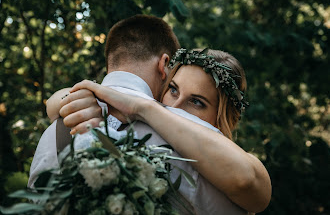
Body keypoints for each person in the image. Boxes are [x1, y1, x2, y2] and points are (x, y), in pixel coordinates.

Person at [30, 15, 271, 214]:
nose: (174, 109)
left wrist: (142, 107)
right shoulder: (79, 108)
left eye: (197, 102)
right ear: (164, 67)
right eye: (173, 90)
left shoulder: (53, 132)